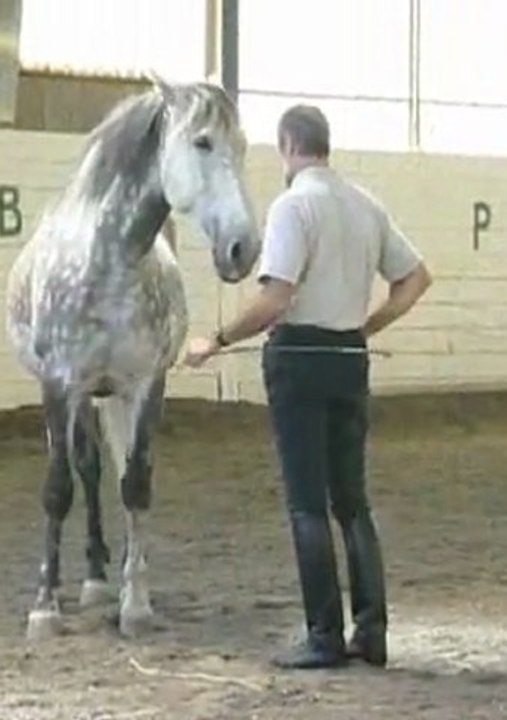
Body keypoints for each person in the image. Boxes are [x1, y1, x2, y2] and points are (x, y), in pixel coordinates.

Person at [183, 105, 432, 669]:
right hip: (349, 358)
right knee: (352, 502)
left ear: (290, 146)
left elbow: (275, 299)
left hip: (299, 358)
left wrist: (215, 341)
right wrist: (367, 326)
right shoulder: (366, 205)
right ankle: (371, 630)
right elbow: (416, 278)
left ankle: (323, 635)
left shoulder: (294, 206)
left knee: (306, 505)